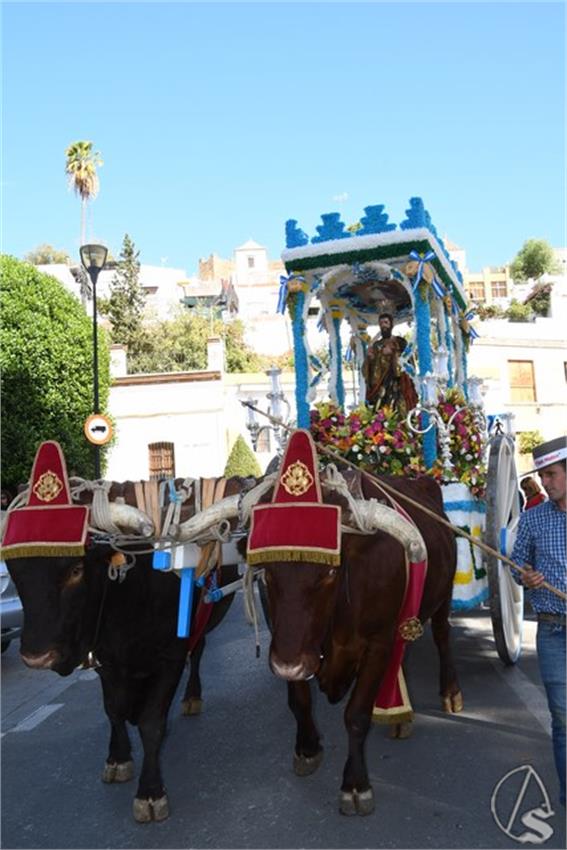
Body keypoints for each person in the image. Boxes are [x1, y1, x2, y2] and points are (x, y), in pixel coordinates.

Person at [511, 435, 566, 807]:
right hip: (553, 629)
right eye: (543, 476)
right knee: (563, 719)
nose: (545, 482)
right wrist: (525, 576)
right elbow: (517, 565)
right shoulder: (532, 519)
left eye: (552, 474)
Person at [362, 312, 418, 414]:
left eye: (386, 322)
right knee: (380, 407)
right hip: (380, 382)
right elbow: (369, 369)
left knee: (398, 407)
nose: (383, 325)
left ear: (391, 324)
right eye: (381, 323)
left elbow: (407, 360)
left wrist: (394, 352)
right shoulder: (376, 344)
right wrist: (370, 359)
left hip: (397, 382)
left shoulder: (400, 341)